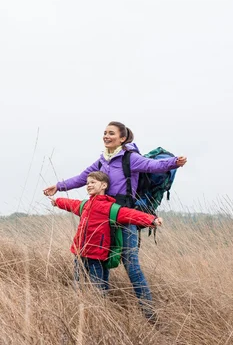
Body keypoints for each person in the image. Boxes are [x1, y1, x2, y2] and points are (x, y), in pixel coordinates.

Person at [44, 121, 187, 320]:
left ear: (122, 138)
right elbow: (82, 177)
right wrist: (58, 187)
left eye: (111, 133)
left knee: (131, 265)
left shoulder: (131, 158)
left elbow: (152, 166)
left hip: (124, 216)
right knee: (100, 260)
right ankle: (101, 310)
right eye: (104, 132)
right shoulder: (102, 160)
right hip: (104, 216)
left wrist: (174, 163)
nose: (106, 136)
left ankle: (149, 315)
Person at [48, 171, 163, 293]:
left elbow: (131, 214)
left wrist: (152, 220)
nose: (89, 185)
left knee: (98, 291)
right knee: (79, 288)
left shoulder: (110, 208)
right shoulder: (85, 205)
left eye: (93, 182)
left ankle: (101, 311)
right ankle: (83, 310)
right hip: (79, 254)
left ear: (104, 186)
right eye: (87, 183)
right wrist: (57, 201)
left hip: (97, 257)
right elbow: (71, 203)